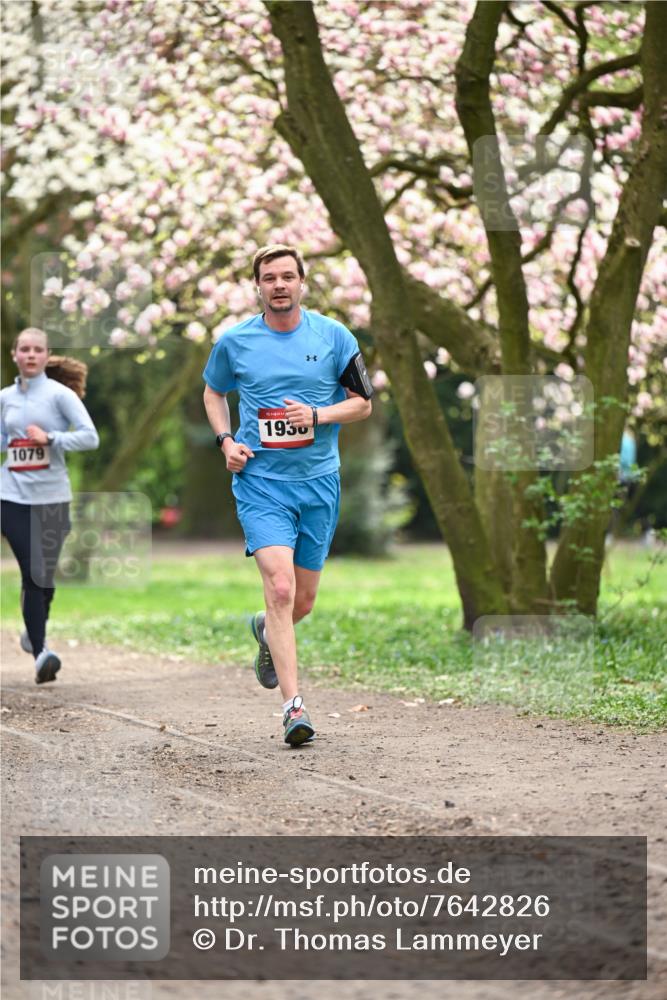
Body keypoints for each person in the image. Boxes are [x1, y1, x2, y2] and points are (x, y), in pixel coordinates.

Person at [203, 244, 373, 746]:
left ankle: (264, 629)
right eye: (269, 278)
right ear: (258, 286)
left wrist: (318, 416)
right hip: (261, 483)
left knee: (301, 602)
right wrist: (226, 441)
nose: (279, 285)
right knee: (280, 589)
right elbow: (214, 392)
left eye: (287, 277)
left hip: (319, 483)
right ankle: (294, 710)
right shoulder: (236, 342)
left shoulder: (334, 336)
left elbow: (362, 404)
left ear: (302, 283)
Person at [1, 328, 99, 683]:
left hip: (53, 498)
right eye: (23, 349)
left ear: (46, 355)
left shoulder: (60, 396)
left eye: (36, 349)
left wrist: (52, 438)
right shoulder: (5, 398)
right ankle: (42, 653)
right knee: (33, 572)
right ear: (15, 355)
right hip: (11, 496)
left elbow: (90, 436)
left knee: (44, 579)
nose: (30, 355)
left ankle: (34, 625)